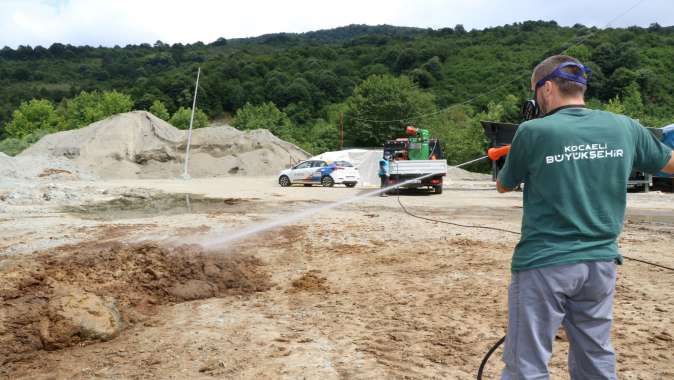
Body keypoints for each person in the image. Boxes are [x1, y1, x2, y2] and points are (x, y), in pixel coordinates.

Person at [496, 55, 674, 379]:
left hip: (545, 262)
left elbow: (503, 185)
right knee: (595, 356)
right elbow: (670, 163)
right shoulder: (624, 126)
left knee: (527, 365)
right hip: (600, 265)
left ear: (546, 88)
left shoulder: (532, 131)